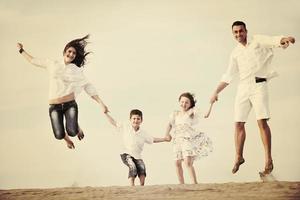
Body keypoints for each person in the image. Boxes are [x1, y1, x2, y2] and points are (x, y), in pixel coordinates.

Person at [209, 21, 295, 175]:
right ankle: (239, 156)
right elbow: (228, 76)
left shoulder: (257, 40)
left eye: (241, 31)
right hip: (243, 87)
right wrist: (216, 91)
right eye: (235, 32)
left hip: (259, 85)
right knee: (238, 123)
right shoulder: (235, 53)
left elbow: (273, 41)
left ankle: (268, 160)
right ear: (233, 34)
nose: (238, 34)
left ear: (246, 31)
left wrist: (284, 39)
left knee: (261, 122)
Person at [17, 35, 108, 149]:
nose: (71, 54)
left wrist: (101, 103)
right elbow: (33, 60)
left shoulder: (76, 70)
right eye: (69, 51)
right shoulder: (52, 64)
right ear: (64, 51)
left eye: (74, 53)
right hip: (54, 106)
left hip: (70, 105)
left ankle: (75, 126)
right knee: (59, 135)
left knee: (72, 131)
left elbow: (87, 86)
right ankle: (68, 138)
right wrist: (21, 50)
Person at [104, 109, 168, 186]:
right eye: (134, 118)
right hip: (126, 153)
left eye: (138, 119)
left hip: (137, 156)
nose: (136, 121)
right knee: (132, 166)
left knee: (142, 169)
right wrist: (106, 114)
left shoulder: (143, 133)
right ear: (130, 119)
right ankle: (132, 187)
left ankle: (141, 187)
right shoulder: (126, 127)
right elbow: (113, 122)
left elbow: (153, 140)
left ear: (141, 120)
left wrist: (164, 139)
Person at [165, 92, 213, 184]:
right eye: (182, 102)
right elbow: (169, 124)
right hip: (177, 140)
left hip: (187, 139)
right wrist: (166, 134)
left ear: (190, 104)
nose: (184, 104)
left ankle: (194, 183)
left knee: (187, 162)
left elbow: (206, 115)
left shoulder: (191, 112)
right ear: (179, 102)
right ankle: (181, 184)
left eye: (187, 102)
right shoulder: (175, 114)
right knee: (177, 163)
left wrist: (211, 104)